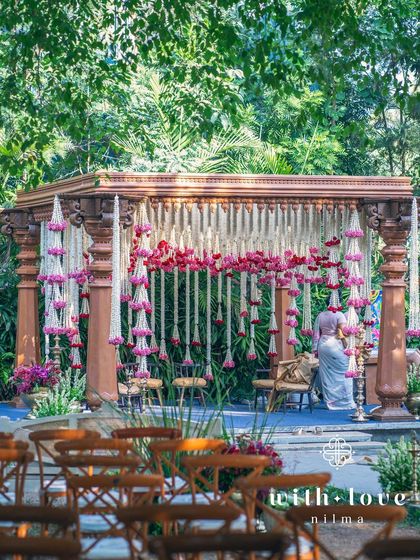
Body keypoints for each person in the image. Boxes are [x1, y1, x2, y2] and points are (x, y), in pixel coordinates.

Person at [312, 309, 356, 410]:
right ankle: (346, 402)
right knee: (345, 370)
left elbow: (316, 333)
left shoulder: (320, 314)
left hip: (323, 345)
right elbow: (343, 331)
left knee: (327, 374)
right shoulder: (339, 314)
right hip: (335, 344)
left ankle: (330, 402)